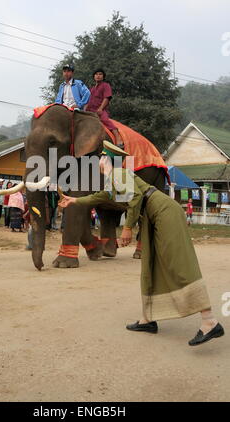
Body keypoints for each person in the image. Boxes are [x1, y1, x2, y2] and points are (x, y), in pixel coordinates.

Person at [59, 141, 225, 347]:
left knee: (177, 261)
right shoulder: (114, 179)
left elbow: (135, 198)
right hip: (152, 216)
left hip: (163, 212)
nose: (98, 166)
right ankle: (148, 319)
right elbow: (100, 197)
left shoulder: (119, 174)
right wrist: (73, 201)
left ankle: (209, 321)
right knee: (151, 265)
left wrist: (128, 228)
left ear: (105, 161)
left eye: (99, 161)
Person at [85, 68, 123, 147]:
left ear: (103, 76)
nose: (98, 76)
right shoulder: (91, 89)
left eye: (100, 74)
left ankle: (118, 137)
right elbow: (87, 101)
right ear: (94, 76)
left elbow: (107, 98)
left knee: (105, 120)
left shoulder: (105, 85)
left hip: (100, 110)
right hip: (90, 111)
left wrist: (101, 108)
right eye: (96, 74)